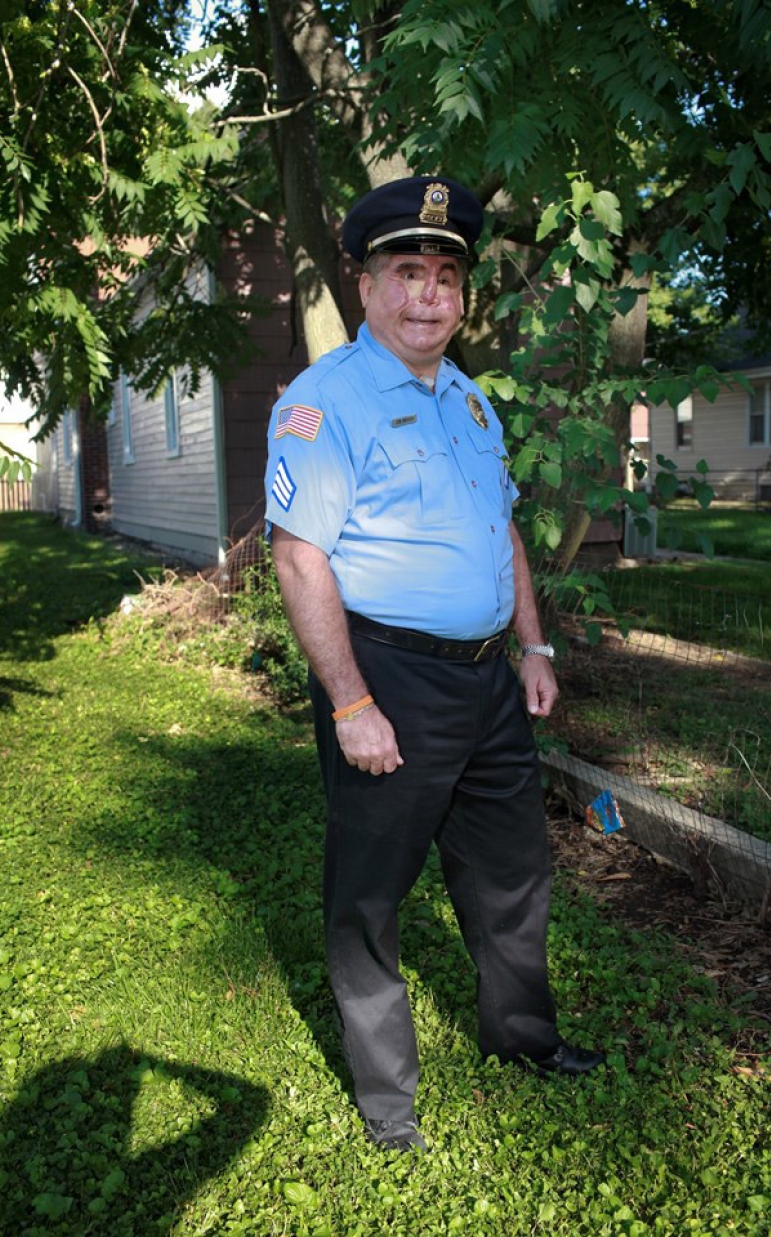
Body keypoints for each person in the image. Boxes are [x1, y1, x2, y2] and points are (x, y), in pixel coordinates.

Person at [264, 175, 604, 1154]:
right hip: (391, 678)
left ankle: (523, 1039)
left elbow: (499, 529)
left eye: (446, 275)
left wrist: (532, 645)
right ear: (366, 285)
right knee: (370, 896)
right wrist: (351, 702)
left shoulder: (470, 402)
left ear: (464, 296)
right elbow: (300, 558)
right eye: (407, 271)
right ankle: (390, 1108)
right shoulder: (326, 402)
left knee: (512, 875)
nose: (428, 294)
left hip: (488, 682)